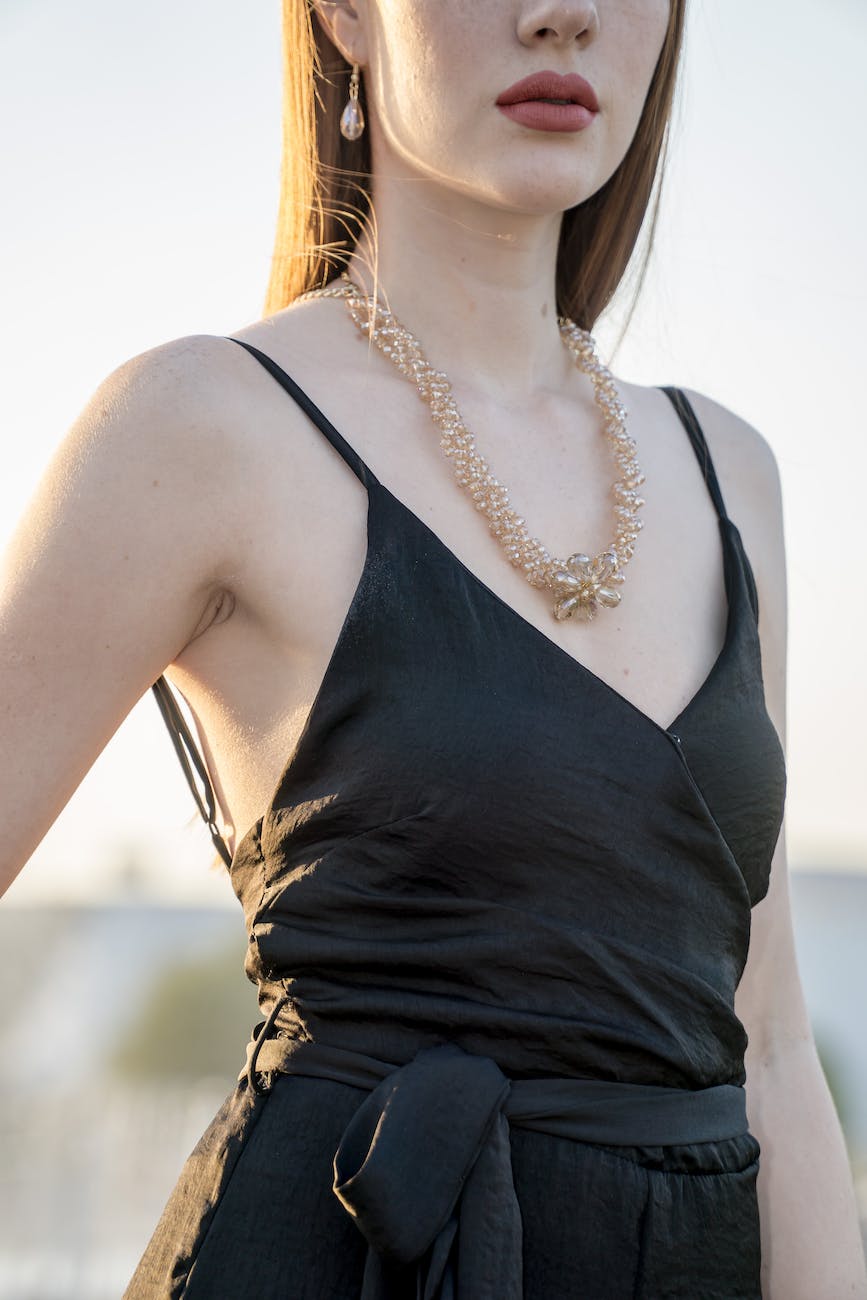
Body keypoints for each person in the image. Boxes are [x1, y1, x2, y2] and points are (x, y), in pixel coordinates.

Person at [1, 0, 865, 1296]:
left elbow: (773, 1048)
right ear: (344, 14)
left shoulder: (730, 469)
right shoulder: (200, 427)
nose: (562, 13)